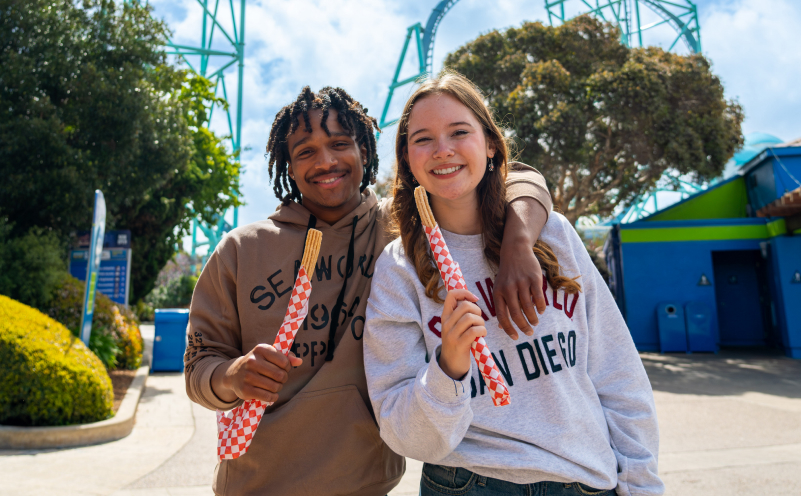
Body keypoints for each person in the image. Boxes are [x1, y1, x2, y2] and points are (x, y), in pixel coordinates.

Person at [183, 85, 556, 496]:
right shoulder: (241, 249)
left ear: (365, 151)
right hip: (257, 483)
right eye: (305, 151)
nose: (325, 161)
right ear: (288, 166)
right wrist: (233, 377)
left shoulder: (401, 227)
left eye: (340, 144)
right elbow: (199, 367)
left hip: (367, 484)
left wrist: (518, 244)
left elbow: (518, 175)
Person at [363, 72, 663, 496]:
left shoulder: (551, 233)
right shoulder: (399, 271)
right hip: (467, 483)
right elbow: (404, 433)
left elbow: (617, 373)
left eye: (459, 131)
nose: (443, 149)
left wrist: (641, 484)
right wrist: (448, 367)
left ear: (490, 144)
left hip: (584, 479)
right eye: (423, 138)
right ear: (407, 159)